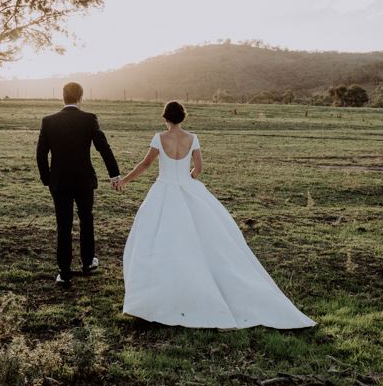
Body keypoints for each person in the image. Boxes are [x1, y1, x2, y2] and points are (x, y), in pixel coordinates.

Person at [117, 101, 315, 329]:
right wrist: (187, 178)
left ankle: (157, 296)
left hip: (164, 190)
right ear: (183, 118)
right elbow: (198, 169)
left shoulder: (159, 138)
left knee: (159, 240)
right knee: (204, 240)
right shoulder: (193, 138)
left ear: (165, 118)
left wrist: (124, 181)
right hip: (187, 188)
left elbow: (146, 164)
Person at [36, 82, 121, 287]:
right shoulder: (89, 119)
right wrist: (114, 174)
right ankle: (87, 263)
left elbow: (41, 153)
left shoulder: (49, 121)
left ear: (62, 97)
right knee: (86, 220)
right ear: (80, 98)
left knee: (63, 226)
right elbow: (103, 148)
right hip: (84, 180)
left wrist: (48, 178)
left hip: (59, 182)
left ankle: (64, 273)